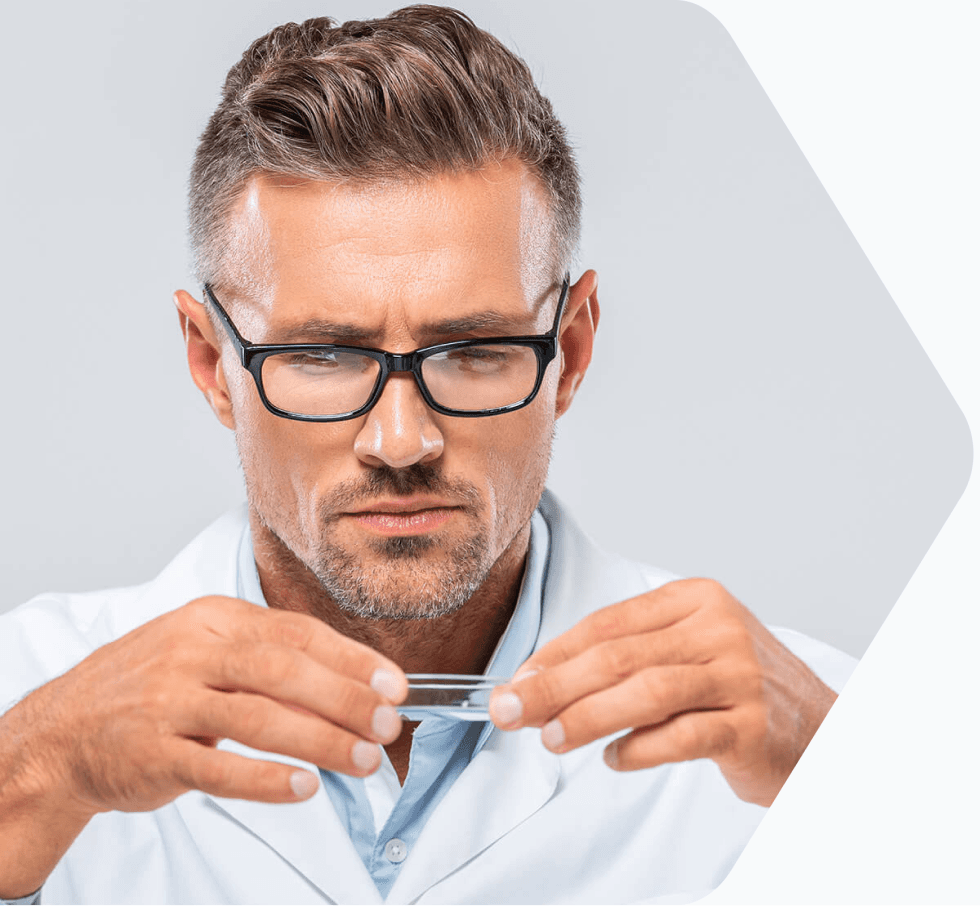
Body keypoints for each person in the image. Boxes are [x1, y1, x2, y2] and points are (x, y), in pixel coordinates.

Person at [0, 6, 854, 904]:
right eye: (322, 356)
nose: (401, 441)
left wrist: (867, 799)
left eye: (475, 350)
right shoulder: (28, 698)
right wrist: (33, 776)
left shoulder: (805, 737)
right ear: (212, 363)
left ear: (572, 348)